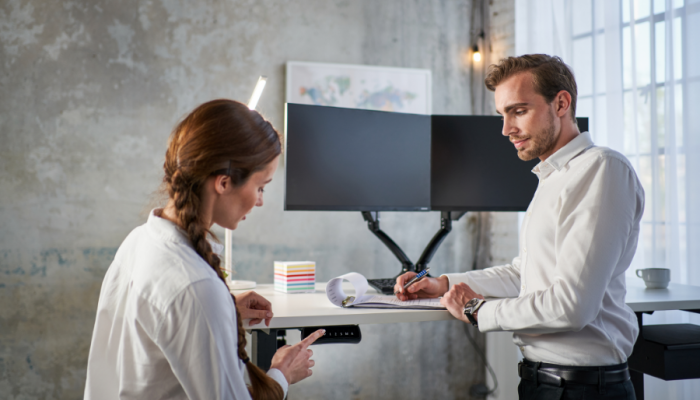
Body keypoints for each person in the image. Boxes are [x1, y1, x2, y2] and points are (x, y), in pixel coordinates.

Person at [395, 55, 643, 400]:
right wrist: (444, 285)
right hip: (542, 381)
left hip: (584, 388)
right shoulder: (553, 176)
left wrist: (477, 310)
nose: (505, 128)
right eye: (502, 114)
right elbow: (523, 275)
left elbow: (571, 306)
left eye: (519, 111)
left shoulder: (601, 169)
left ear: (561, 103)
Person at [84, 99, 324, 400]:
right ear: (223, 182)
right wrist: (281, 375)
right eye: (261, 187)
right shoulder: (196, 289)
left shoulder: (139, 240)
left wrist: (224, 310)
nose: (260, 201)